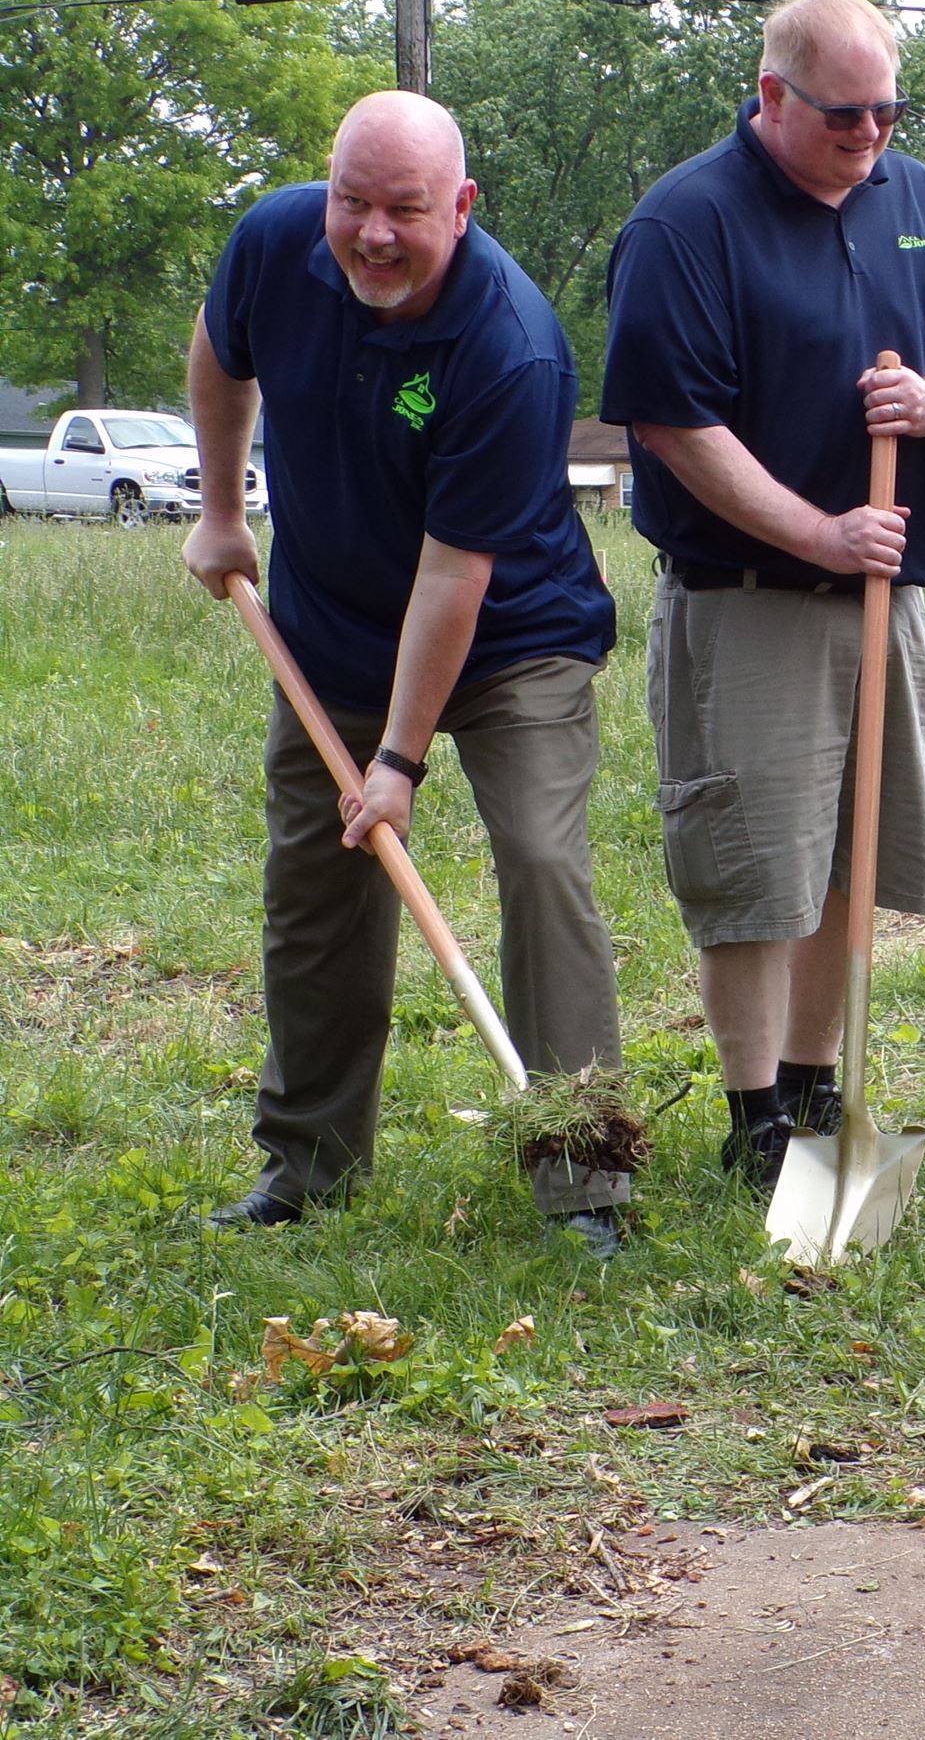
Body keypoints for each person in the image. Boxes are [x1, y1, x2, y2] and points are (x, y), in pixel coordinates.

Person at [183, 90, 627, 1256]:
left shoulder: (510, 346)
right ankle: (306, 1165)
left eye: (407, 211)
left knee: (538, 859)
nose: (373, 234)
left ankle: (583, 1175)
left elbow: (453, 576)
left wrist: (397, 762)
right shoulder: (275, 244)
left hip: (511, 636)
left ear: (464, 208)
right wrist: (222, 513)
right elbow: (219, 356)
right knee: (317, 888)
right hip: (329, 632)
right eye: (353, 202)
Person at [599, 0, 925, 1193]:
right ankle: (751, 1116)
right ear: (772, 95)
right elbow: (676, 424)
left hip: (892, 599)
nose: (872, 134)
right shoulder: (688, 222)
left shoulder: (918, 198)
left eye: (888, 109)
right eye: (845, 114)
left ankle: (815, 1086)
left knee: (852, 856)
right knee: (753, 865)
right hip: (752, 600)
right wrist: (817, 533)